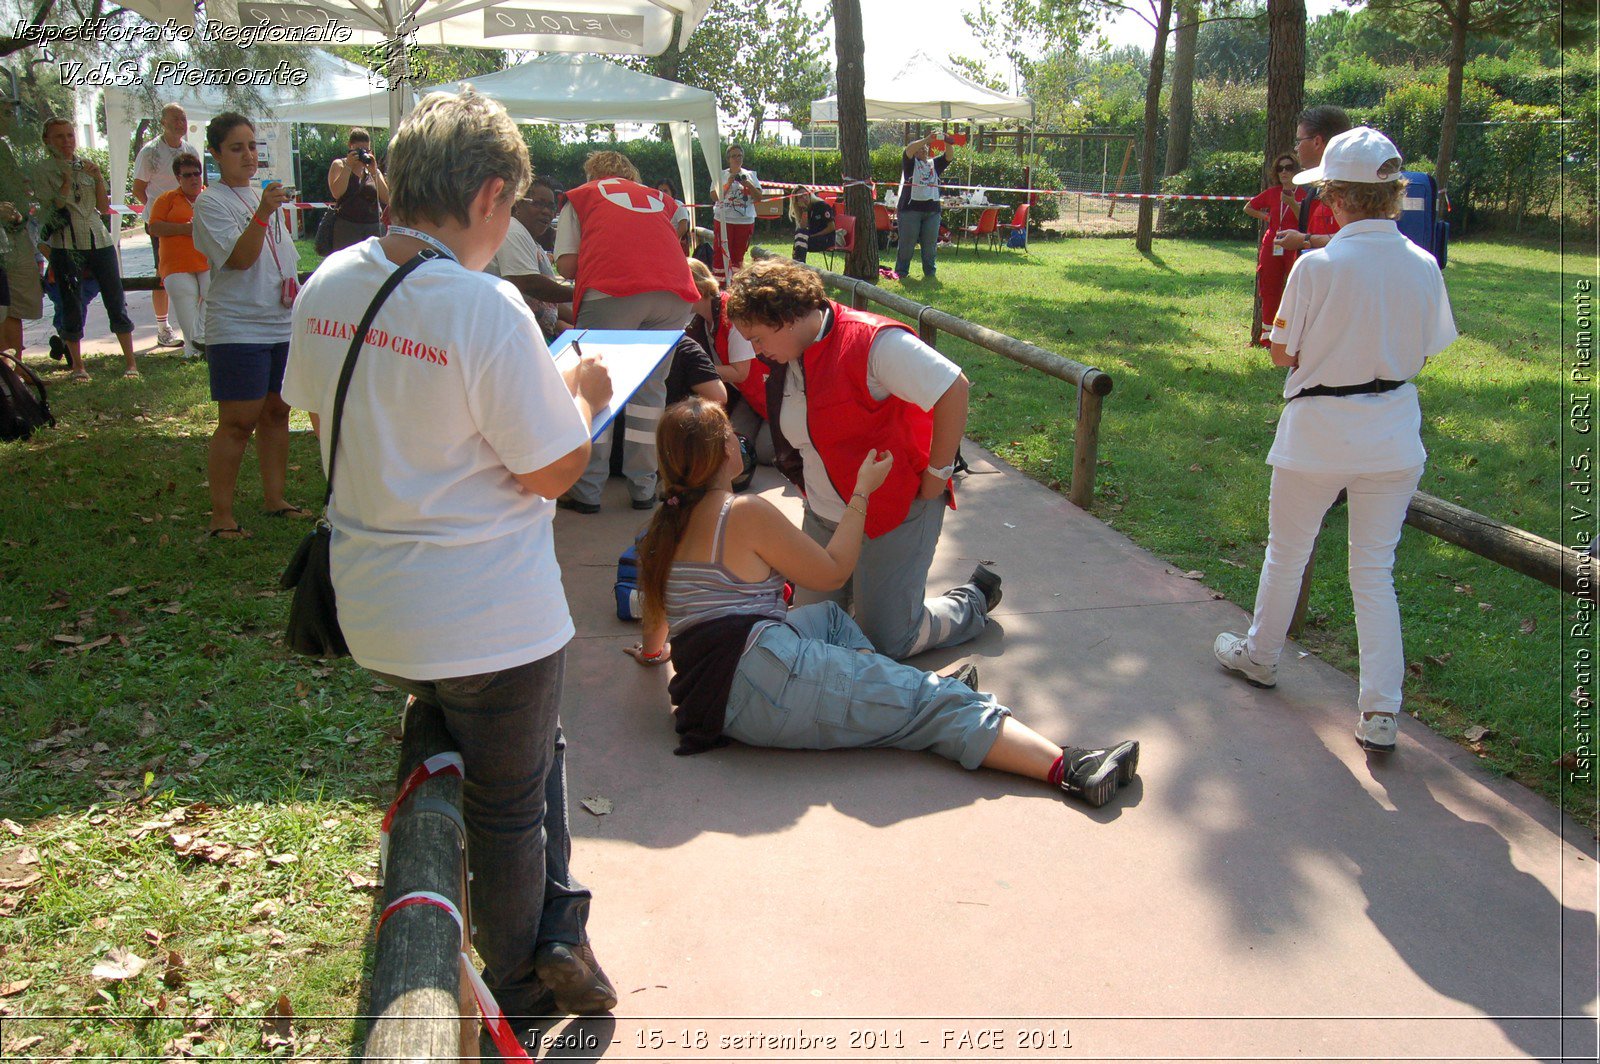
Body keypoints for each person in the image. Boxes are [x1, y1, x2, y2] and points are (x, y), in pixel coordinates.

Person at [280, 88, 619, 1022]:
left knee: (525, 753)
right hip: (491, 625)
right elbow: (554, 470)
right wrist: (583, 393)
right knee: (510, 807)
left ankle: (555, 930)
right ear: (488, 196)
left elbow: (346, 426)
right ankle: (522, 982)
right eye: (511, 209)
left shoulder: (331, 281)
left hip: (374, 611)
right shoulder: (487, 305)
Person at [624, 398, 1140, 808]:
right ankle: (1071, 768)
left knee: (828, 617)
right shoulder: (744, 512)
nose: (742, 444)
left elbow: (657, 618)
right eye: (734, 439)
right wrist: (862, 493)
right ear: (725, 454)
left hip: (720, 687)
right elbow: (833, 570)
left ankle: (887, 697)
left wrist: (654, 655)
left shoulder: (662, 525)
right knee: (930, 703)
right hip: (764, 686)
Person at [1214, 127, 1457, 755]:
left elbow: (1281, 353)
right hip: (1392, 431)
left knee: (1286, 551)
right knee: (1373, 571)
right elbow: (1426, 351)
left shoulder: (1318, 266)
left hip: (1318, 431)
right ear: (1393, 194)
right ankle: (1380, 709)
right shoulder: (1423, 265)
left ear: (1336, 197)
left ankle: (1261, 655)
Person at [726, 258, 996, 662]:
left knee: (888, 644)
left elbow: (953, 387)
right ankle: (869, 601)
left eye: (758, 338)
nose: (755, 351)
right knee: (813, 637)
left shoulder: (870, 341)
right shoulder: (788, 355)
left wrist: (937, 476)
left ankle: (970, 601)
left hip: (893, 512)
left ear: (786, 318)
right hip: (825, 514)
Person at [553, 150, 700, 514]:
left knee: (595, 387)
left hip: (612, 292)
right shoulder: (660, 199)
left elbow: (567, 264)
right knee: (650, 394)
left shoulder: (582, 196)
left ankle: (588, 490)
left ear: (593, 173)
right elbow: (683, 223)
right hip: (674, 294)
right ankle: (643, 487)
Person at [191, 112, 308, 538]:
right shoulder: (210, 202)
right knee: (238, 421)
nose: (248, 155)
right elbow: (240, 260)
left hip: (279, 321)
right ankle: (222, 516)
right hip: (237, 326)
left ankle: (275, 499)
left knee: (278, 412)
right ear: (216, 154)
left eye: (252, 146)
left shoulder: (265, 198)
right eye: (236, 148)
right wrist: (262, 212)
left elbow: (281, 257)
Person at [34, 117, 138, 380]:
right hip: (66, 242)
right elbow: (53, 208)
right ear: (48, 140)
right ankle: (78, 366)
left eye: (70, 135)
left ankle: (131, 363)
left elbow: (103, 208)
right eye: (60, 137)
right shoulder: (43, 170)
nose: (67, 141)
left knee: (115, 297)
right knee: (71, 301)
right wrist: (66, 181)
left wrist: (99, 177)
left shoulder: (87, 166)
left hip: (97, 238)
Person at [131, 103, 203, 349]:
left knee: (201, 274)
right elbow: (139, 188)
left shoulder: (190, 149)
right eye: (175, 118)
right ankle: (163, 327)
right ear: (162, 122)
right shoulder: (150, 152)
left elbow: (197, 182)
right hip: (162, 226)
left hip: (194, 225)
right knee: (163, 274)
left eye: (183, 118)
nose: (180, 123)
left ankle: (200, 334)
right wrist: (164, 213)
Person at [684, 257, 769, 461]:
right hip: (749, 398)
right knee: (736, 446)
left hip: (770, 395)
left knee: (765, 451)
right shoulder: (701, 322)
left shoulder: (729, 312)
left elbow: (740, 373)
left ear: (696, 287)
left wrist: (699, 370)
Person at [487, 176, 572, 339]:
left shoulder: (531, 242)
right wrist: (580, 295)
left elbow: (550, 302)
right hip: (513, 337)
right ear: (518, 204)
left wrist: (579, 319)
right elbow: (529, 284)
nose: (547, 212)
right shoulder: (512, 229)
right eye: (538, 203)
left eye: (551, 206)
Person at [146, 155, 209, 359]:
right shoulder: (166, 199)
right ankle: (193, 352)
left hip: (207, 261)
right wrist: (185, 229)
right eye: (187, 175)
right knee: (186, 306)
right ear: (178, 177)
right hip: (177, 264)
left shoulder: (210, 196)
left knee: (215, 296)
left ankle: (202, 345)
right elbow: (153, 227)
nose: (194, 179)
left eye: (197, 174)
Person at [1273, 105, 1352, 257]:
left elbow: (1358, 240)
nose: (1296, 148)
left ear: (1317, 142)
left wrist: (1305, 239)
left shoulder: (1348, 186)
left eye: (1299, 141)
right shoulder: (1323, 183)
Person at [1245, 154, 1305, 347]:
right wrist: (1267, 218)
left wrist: (1292, 204)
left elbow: (1304, 219)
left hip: (1294, 243)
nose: (1284, 172)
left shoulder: (1304, 193)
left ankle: (1293, 334)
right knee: (1269, 287)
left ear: (1296, 170)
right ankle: (1267, 335)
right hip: (1272, 244)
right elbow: (1249, 207)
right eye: (1280, 169)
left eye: (1288, 168)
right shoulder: (1272, 192)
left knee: (1296, 288)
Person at [0, 101, 40, 360]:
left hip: (13, 235)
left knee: (14, 303)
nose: (10, 117)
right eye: (3, 111)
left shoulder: (4, 147)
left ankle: (16, 372)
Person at [896, 132, 952, 282]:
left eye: (926, 147)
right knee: (907, 244)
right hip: (910, 210)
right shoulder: (910, 163)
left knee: (929, 245)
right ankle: (901, 272)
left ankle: (930, 274)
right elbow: (908, 149)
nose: (924, 149)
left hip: (932, 211)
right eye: (921, 148)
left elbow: (949, 156)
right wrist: (927, 139)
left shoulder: (934, 164)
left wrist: (947, 142)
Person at [325, 128, 390, 252]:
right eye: (359, 151)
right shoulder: (339, 165)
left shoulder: (372, 169)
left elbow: (386, 198)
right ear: (350, 146)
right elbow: (336, 193)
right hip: (348, 227)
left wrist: (374, 171)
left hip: (373, 226)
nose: (362, 154)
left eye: (366, 150)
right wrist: (349, 166)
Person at [711, 145, 760, 276]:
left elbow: (758, 197)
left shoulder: (750, 175)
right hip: (724, 219)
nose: (737, 159)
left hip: (744, 221)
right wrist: (728, 183)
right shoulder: (721, 175)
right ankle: (720, 286)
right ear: (728, 159)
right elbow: (714, 197)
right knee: (721, 255)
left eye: (739, 156)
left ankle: (736, 283)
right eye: (734, 156)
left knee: (738, 257)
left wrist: (748, 184)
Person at [789, 186, 838, 264]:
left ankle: (799, 265)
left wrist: (814, 235)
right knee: (799, 239)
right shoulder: (806, 210)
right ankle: (798, 265)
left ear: (809, 194)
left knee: (800, 242)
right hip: (813, 238)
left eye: (805, 194)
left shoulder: (821, 205)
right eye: (800, 197)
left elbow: (832, 227)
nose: (804, 198)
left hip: (827, 238)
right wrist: (804, 210)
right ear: (797, 201)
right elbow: (803, 228)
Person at [654, 178, 692, 254]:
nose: (663, 193)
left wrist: (672, 242)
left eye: (665, 191)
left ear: (672, 192)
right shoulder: (655, 206)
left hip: (674, 246)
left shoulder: (678, 205)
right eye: (660, 191)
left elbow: (683, 227)